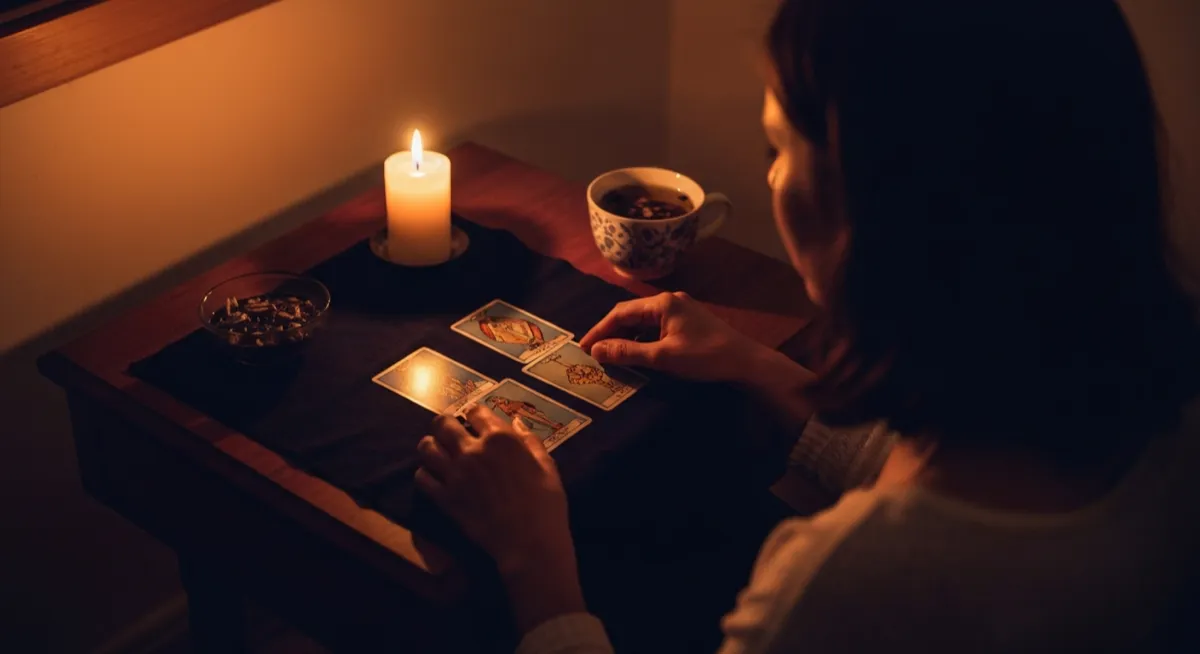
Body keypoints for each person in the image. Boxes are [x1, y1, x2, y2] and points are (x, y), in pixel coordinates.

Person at [413, 0, 1200, 651]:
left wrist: (538, 566)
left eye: (777, 147)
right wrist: (763, 367)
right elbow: (964, 489)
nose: (771, 177)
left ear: (870, 214)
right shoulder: (1160, 406)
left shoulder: (844, 588)